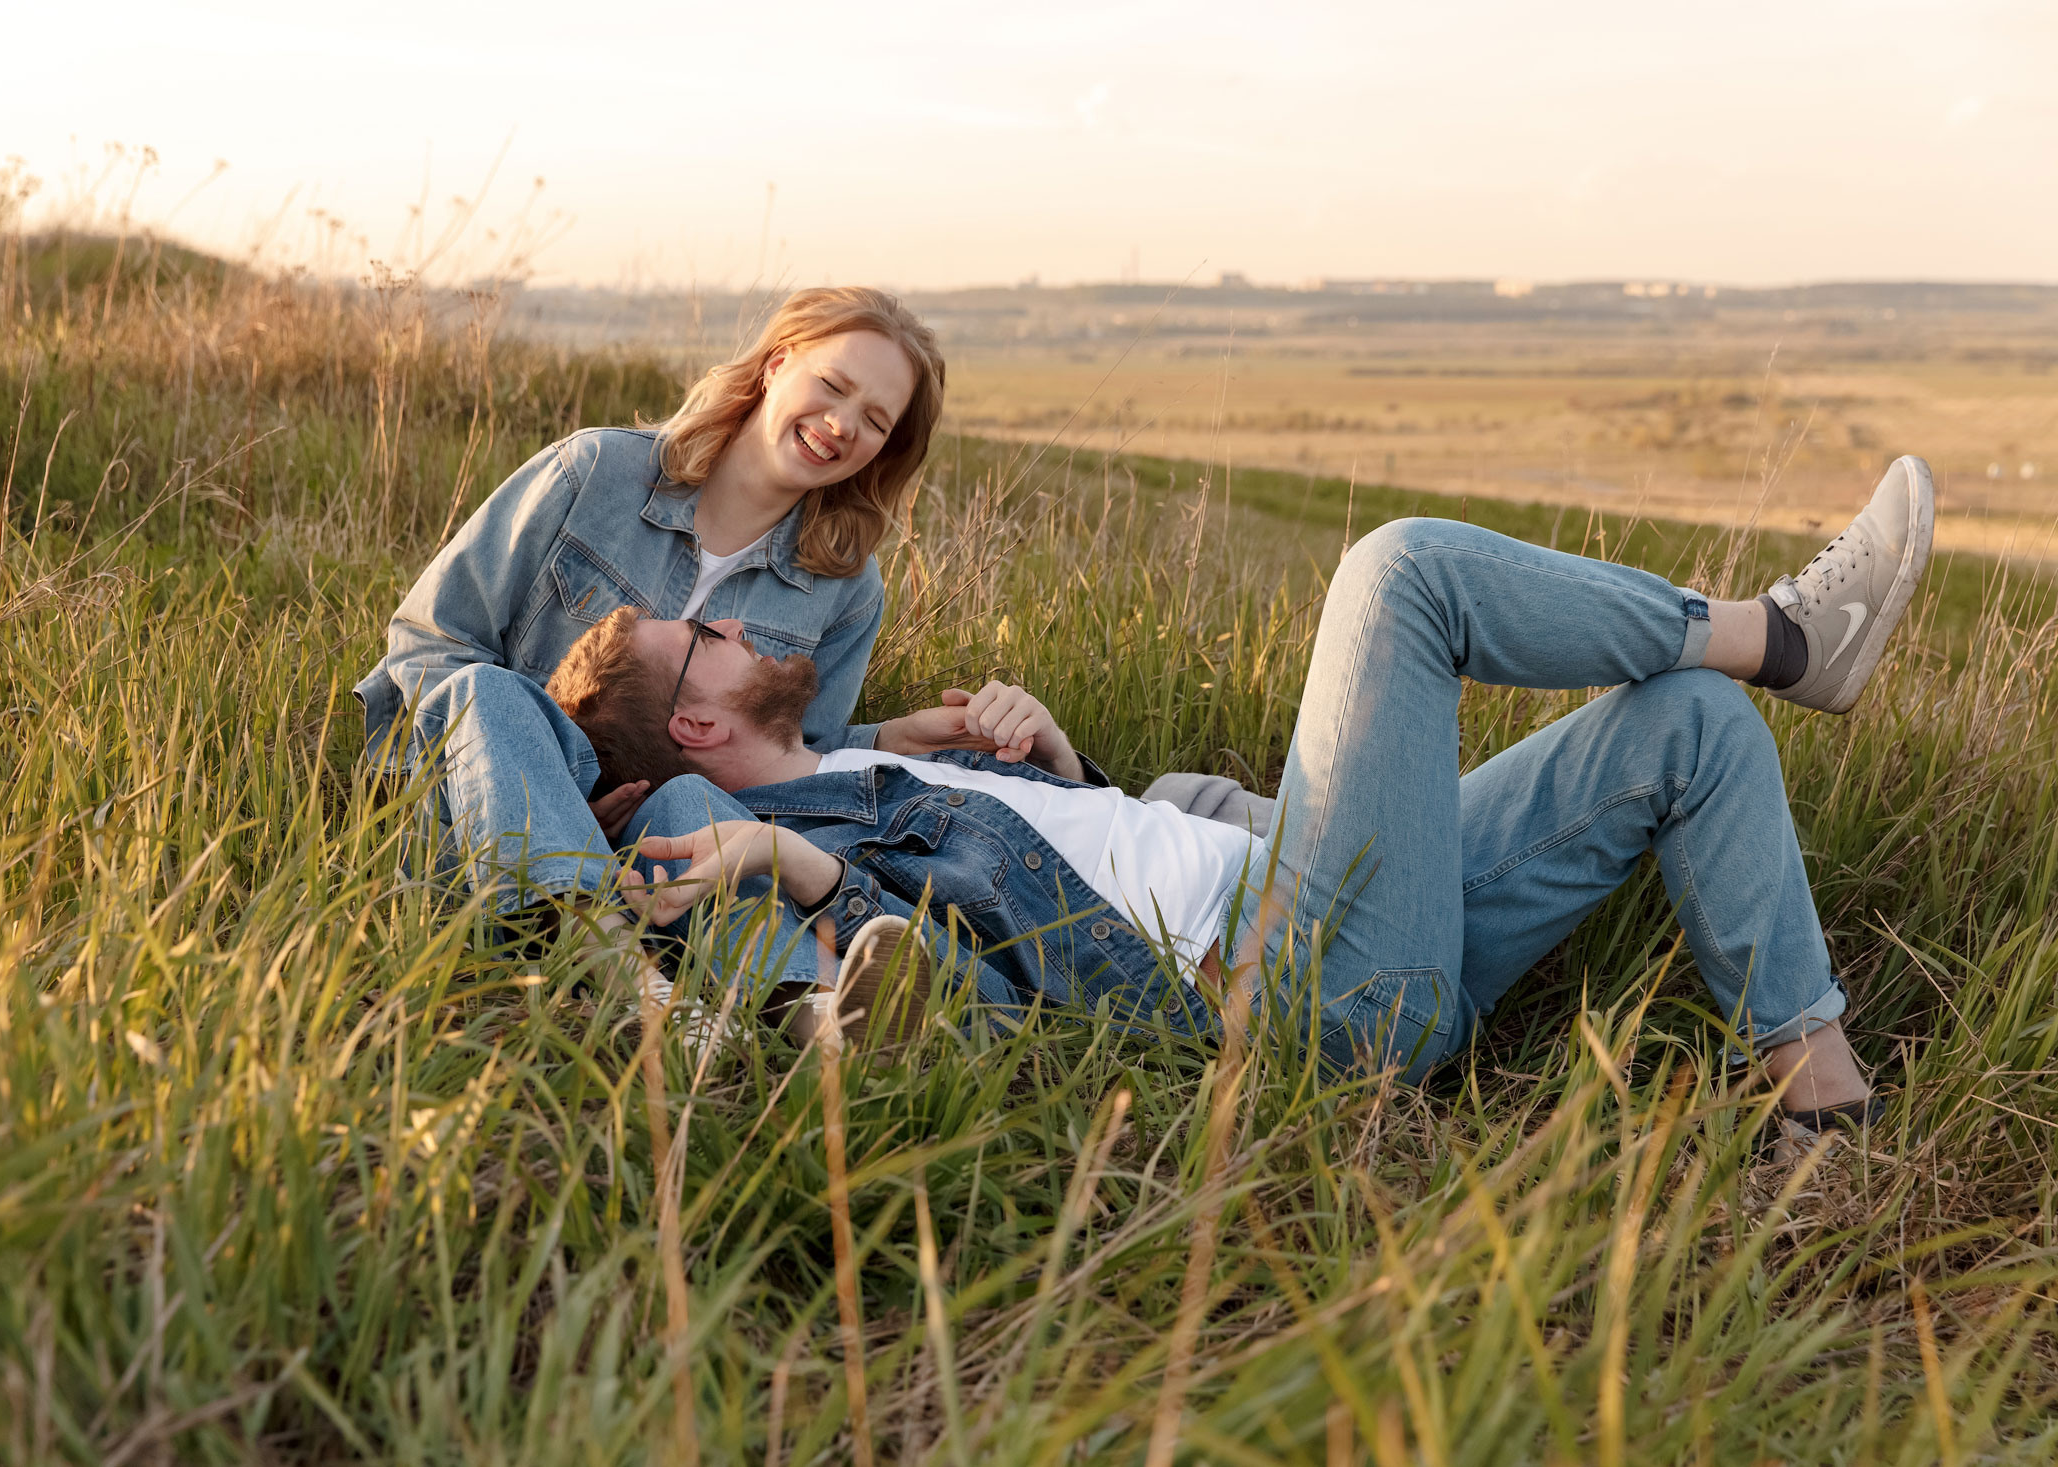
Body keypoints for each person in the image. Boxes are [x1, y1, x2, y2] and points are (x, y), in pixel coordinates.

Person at [553, 457, 1939, 1128]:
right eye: (714, 635)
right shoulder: (795, 832)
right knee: (1398, 573)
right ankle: (1790, 636)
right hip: (1288, 982)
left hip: (1361, 916)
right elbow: (906, 992)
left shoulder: (884, 759)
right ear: (692, 717)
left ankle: (1821, 1107)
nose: (746, 623)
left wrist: (1062, 761)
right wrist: (788, 870)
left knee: (1687, 719)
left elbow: (1103, 848)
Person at [356, 287, 1012, 980]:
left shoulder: (846, 588)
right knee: (485, 690)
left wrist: (884, 739)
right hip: (488, 820)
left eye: (876, 420)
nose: (843, 424)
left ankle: (814, 1010)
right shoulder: (596, 473)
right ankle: (615, 964)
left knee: (699, 810)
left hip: (668, 868)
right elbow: (431, 643)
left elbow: (788, 770)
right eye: (832, 385)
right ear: (776, 364)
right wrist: (555, 789)